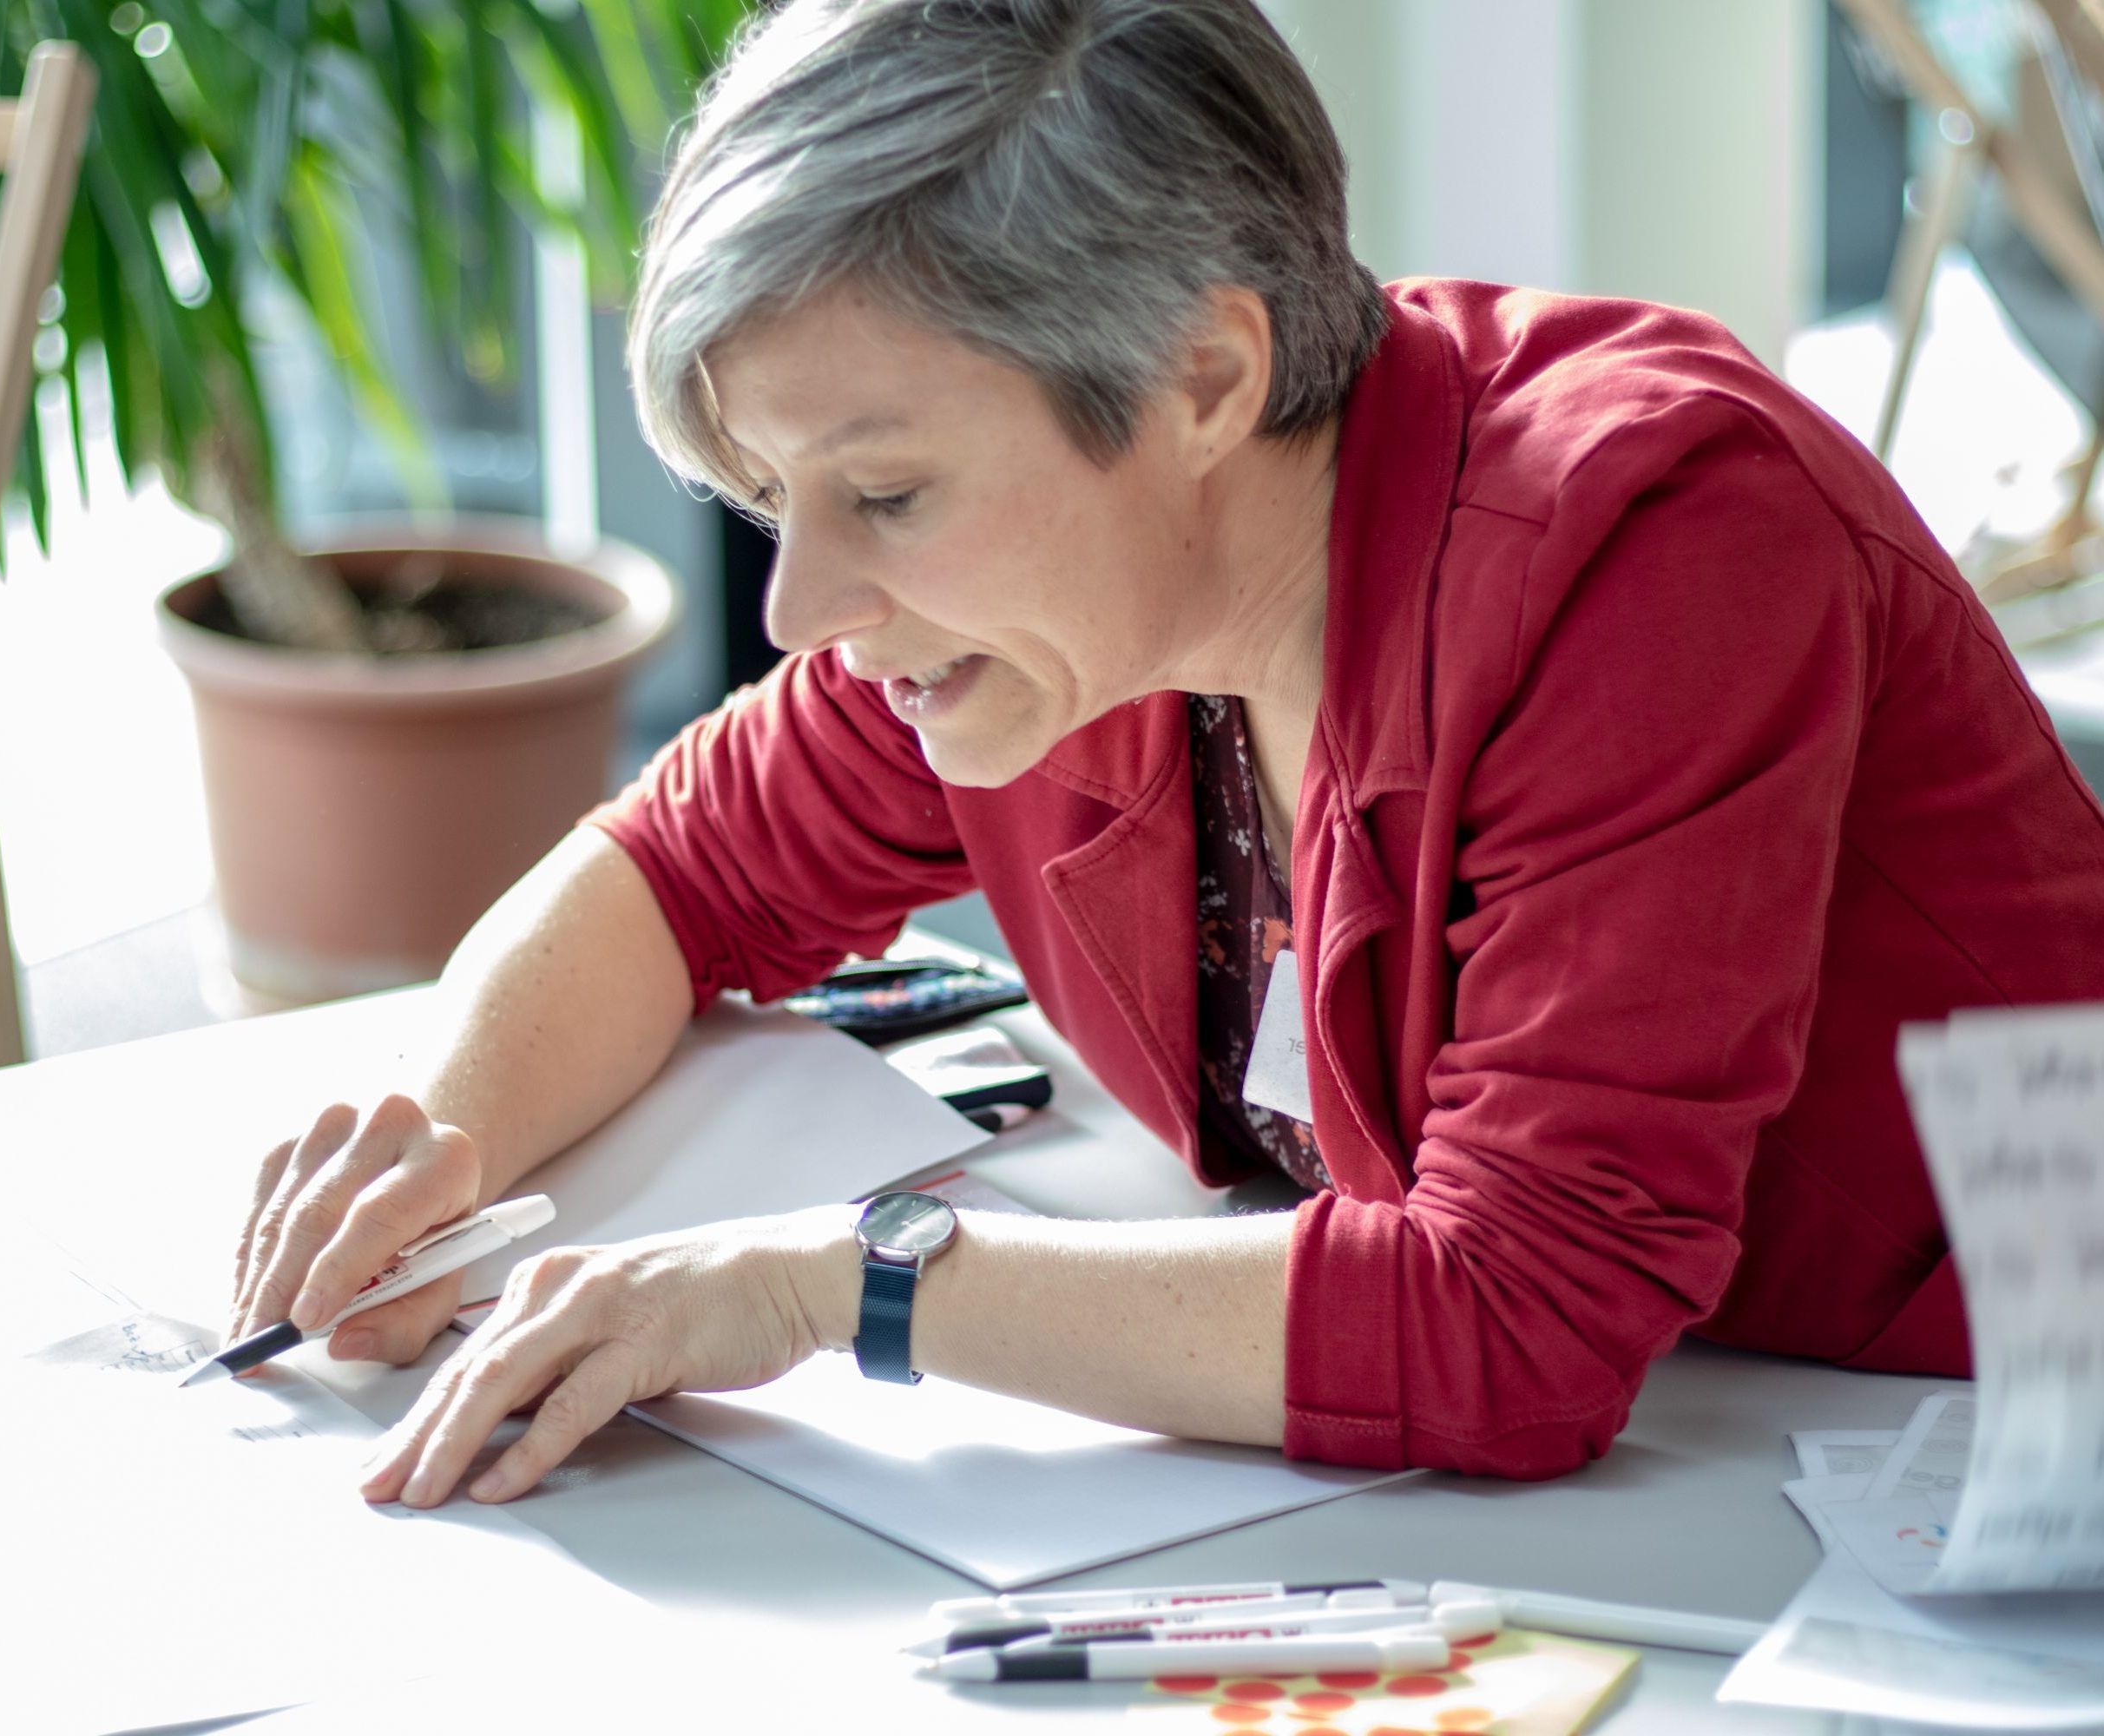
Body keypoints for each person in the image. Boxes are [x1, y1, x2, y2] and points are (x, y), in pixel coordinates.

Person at [226, 0, 2104, 1509]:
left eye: (883, 489)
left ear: (1205, 378)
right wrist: (438, 1144)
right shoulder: (1049, 619)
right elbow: (675, 863)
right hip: (1657, 1465)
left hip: (1981, 1437)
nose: (800, 605)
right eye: (767, 499)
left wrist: (833, 1281)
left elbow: (1515, 1323)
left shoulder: (1653, 534)